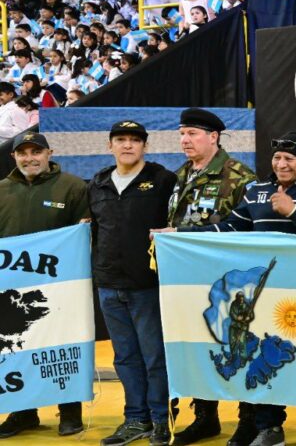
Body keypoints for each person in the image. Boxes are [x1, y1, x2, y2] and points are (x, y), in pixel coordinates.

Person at [157, 132, 296, 446]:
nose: (281, 164)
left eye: (289, 159)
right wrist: (180, 233)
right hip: (265, 295)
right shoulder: (256, 191)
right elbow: (228, 227)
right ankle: (270, 426)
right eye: (277, 158)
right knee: (265, 356)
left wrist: (293, 210)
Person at [165, 108, 257, 446]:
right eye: (182, 134)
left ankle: (248, 419)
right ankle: (206, 416)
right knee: (198, 346)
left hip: (229, 284)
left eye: (192, 133)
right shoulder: (180, 175)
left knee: (239, 346)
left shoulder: (239, 176)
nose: (185, 140)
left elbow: (248, 229)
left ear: (214, 137)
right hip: (189, 282)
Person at [89, 121, 178, 446]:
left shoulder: (162, 179)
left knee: (155, 356)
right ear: (109, 144)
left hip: (147, 285)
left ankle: (160, 419)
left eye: (135, 140)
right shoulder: (98, 182)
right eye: (121, 139)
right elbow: (95, 229)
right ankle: (135, 419)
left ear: (145, 146)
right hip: (108, 284)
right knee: (125, 357)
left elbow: (176, 225)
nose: (128, 145)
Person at [0, 132, 89, 440]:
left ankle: (69, 412)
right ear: (14, 157)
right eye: (22, 153)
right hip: (11, 289)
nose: (29, 158)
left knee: (63, 347)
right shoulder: (2, 191)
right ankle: (23, 411)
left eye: (35, 151)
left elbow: (86, 232)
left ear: (49, 152)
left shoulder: (74, 186)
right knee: (17, 347)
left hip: (61, 287)